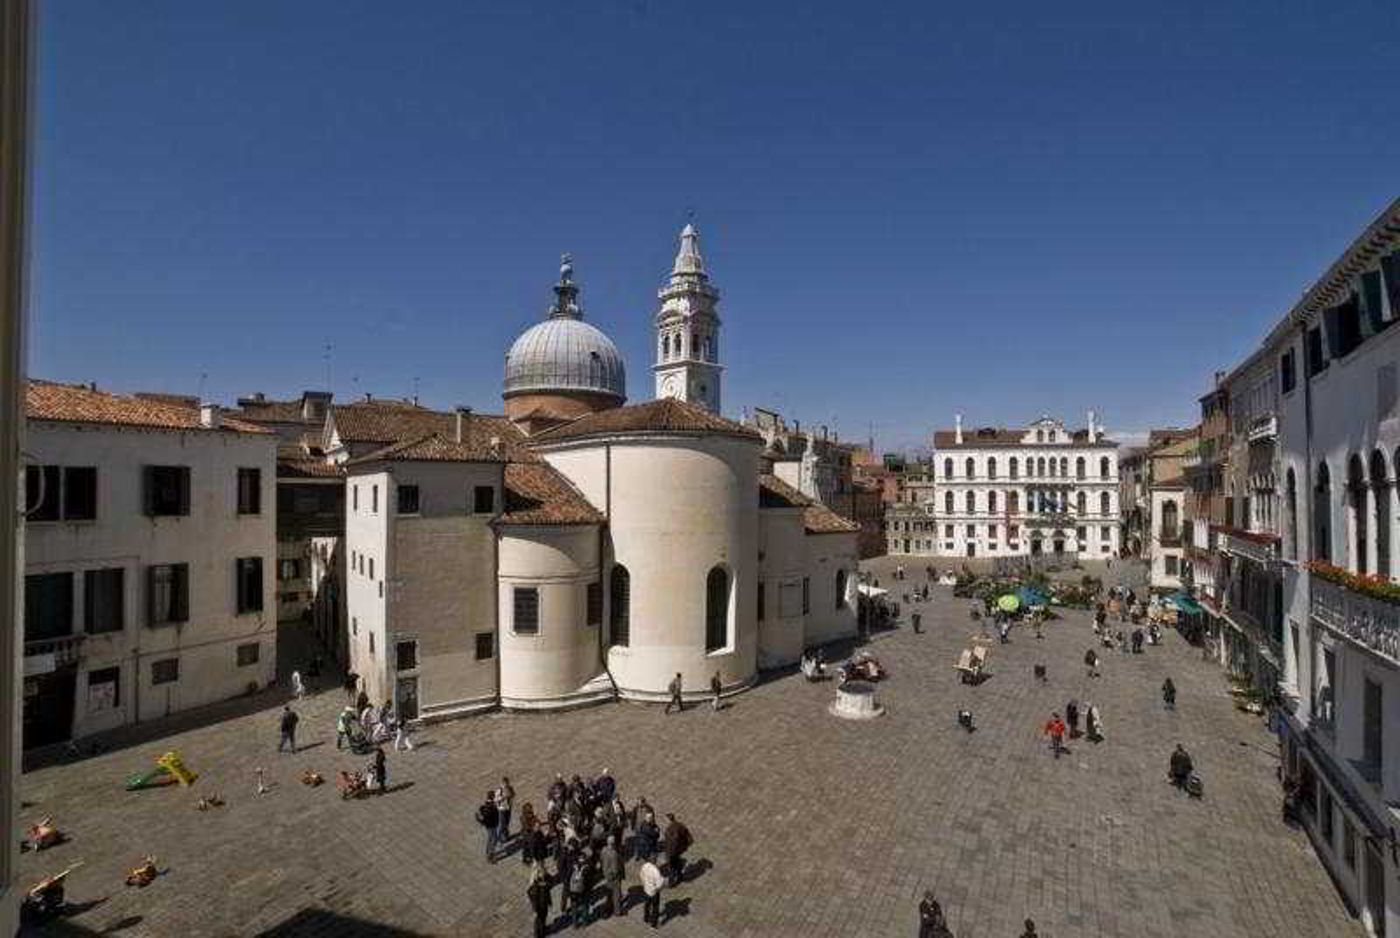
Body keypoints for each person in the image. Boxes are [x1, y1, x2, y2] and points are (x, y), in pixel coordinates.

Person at [662, 813, 691, 886]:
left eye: (665, 820)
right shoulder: (679, 825)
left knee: (672, 867)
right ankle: (680, 876)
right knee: (677, 864)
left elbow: (673, 841)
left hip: (672, 851)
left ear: (669, 820)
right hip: (678, 850)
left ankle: (672, 881)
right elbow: (686, 834)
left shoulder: (671, 829)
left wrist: (670, 853)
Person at [600, 836, 625, 917]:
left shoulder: (603, 850)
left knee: (609, 893)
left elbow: (601, 860)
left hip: (606, 874)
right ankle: (617, 911)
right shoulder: (614, 854)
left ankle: (609, 908)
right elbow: (615, 869)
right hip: (614, 877)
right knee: (616, 894)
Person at [527, 864, 552, 938]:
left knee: (544, 917)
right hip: (539, 906)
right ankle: (538, 934)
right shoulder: (536, 886)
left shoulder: (545, 882)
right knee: (539, 920)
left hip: (544, 903)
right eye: (542, 873)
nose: (544, 874)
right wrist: (534, 907)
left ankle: (543, 929)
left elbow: (549, 885)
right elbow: (529, 893)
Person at [639, 856, 664, 928]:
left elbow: (641, 875)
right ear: (655, 861)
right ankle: (653, 923)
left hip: (646, 890)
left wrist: (644, 883)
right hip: (654, 892)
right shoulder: (656, 871)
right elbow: (659, 884)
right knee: (655, 908)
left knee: (647, 905)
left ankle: (646, 918)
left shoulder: (645, 866)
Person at [568, 849, 590, 928]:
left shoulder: (573, 866)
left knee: (574, 907)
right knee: (584, 906)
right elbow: (590, 881)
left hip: (573, 891)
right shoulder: (587, 867)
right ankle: (584, 923)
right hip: (584, 891)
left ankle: (575, 924)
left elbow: (568, 878)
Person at [476, 791, 500, 862]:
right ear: (492, 797)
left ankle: (488, 851)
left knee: (490, 838)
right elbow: (487, 817)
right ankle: (490, 855)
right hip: (492, 825)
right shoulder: (490, 807)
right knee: (494, 839)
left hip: (490, 825)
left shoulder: (487, 805)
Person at [497, 777, 515, 845]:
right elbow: (496, 800)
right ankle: (499, 837)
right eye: (505, 783)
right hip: (502, 809)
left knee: (507, 822)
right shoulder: (499, 790)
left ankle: (506, 835)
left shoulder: (510, 788)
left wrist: (511, 795)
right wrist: (503, 797)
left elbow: (513, 794)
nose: (506, 785)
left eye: (507, 783)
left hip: (508, 808)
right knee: (502, 824)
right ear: (502, 783)